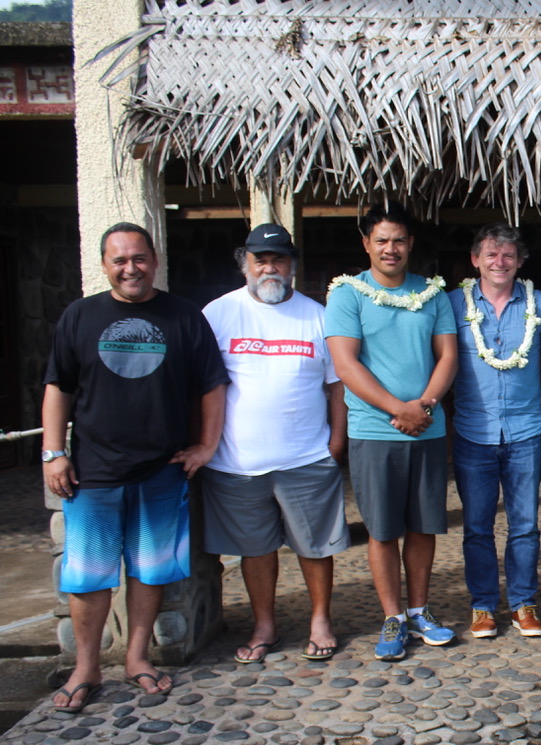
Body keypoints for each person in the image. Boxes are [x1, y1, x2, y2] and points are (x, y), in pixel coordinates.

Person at [42, 222, 228, 711]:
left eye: (139, 258)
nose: (131, 268)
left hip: (162, 470)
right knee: (88, 576)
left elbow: (212, 385)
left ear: (155, 260)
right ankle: (86, 667)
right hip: (92, 472)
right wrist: (53, 452)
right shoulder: (80, 316)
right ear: (105, 265)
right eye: (120, 260)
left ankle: (137, 657)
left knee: (151, 570)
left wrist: (206, 446)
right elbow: (58, 387)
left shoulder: (184, 316)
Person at [202, 225, 350, 664]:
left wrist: (335, 443)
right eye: (260, 260)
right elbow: (202, 386)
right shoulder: (218, 313)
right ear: (244, 264)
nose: (269, 268)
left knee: (315, 547)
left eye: (278, 260)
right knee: (255, 549)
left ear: (292, 266)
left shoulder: (318, 316)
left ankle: (320, 620)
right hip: (237, 462)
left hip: (307, 457)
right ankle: (264, 625)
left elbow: (338, 386)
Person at [324, 202, 458, 661]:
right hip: (374, 430)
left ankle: (419, 610)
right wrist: (397, 409)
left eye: (399, 240)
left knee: (423, 526)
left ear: (410, 243)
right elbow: (346, 364)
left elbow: (447, 356)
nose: (390, 248)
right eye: (381, 240)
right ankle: (392, 616)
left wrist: (424, 406)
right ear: (366, 243)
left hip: (427, 427)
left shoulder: (432, 293)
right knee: (382, 529)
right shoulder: (348, 294)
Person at [448, 223, 541, 640]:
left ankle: (524, 602)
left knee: (525, 525)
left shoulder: (539, 304)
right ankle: (482, 605)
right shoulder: (453, 305)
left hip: (525, 431)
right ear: (475, 259)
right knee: (476, 526)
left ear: (520, 261)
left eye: (508, 254)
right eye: (491, 254)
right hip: (472, 432)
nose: (500, 262)